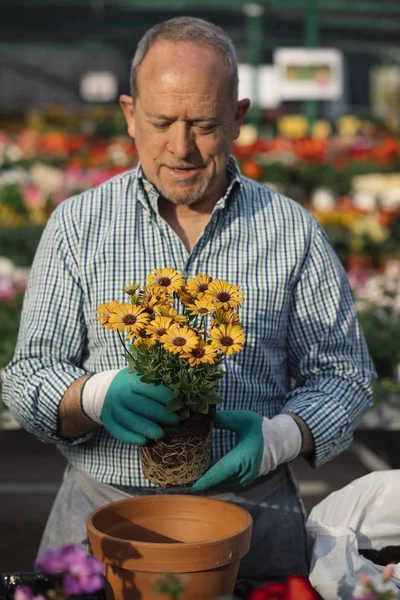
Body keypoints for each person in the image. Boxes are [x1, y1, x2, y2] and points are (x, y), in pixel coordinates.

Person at [3, 15, 375, 596]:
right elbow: (28, 377)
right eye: (160, 122)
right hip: (102, 516)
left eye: (203, 123)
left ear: (238, 118)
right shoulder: (79, 225)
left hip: (253, 519)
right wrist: (95, 396)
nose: (181, 147)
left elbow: (345, 375)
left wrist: (281, 434)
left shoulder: (290, 231)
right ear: (129, 114)